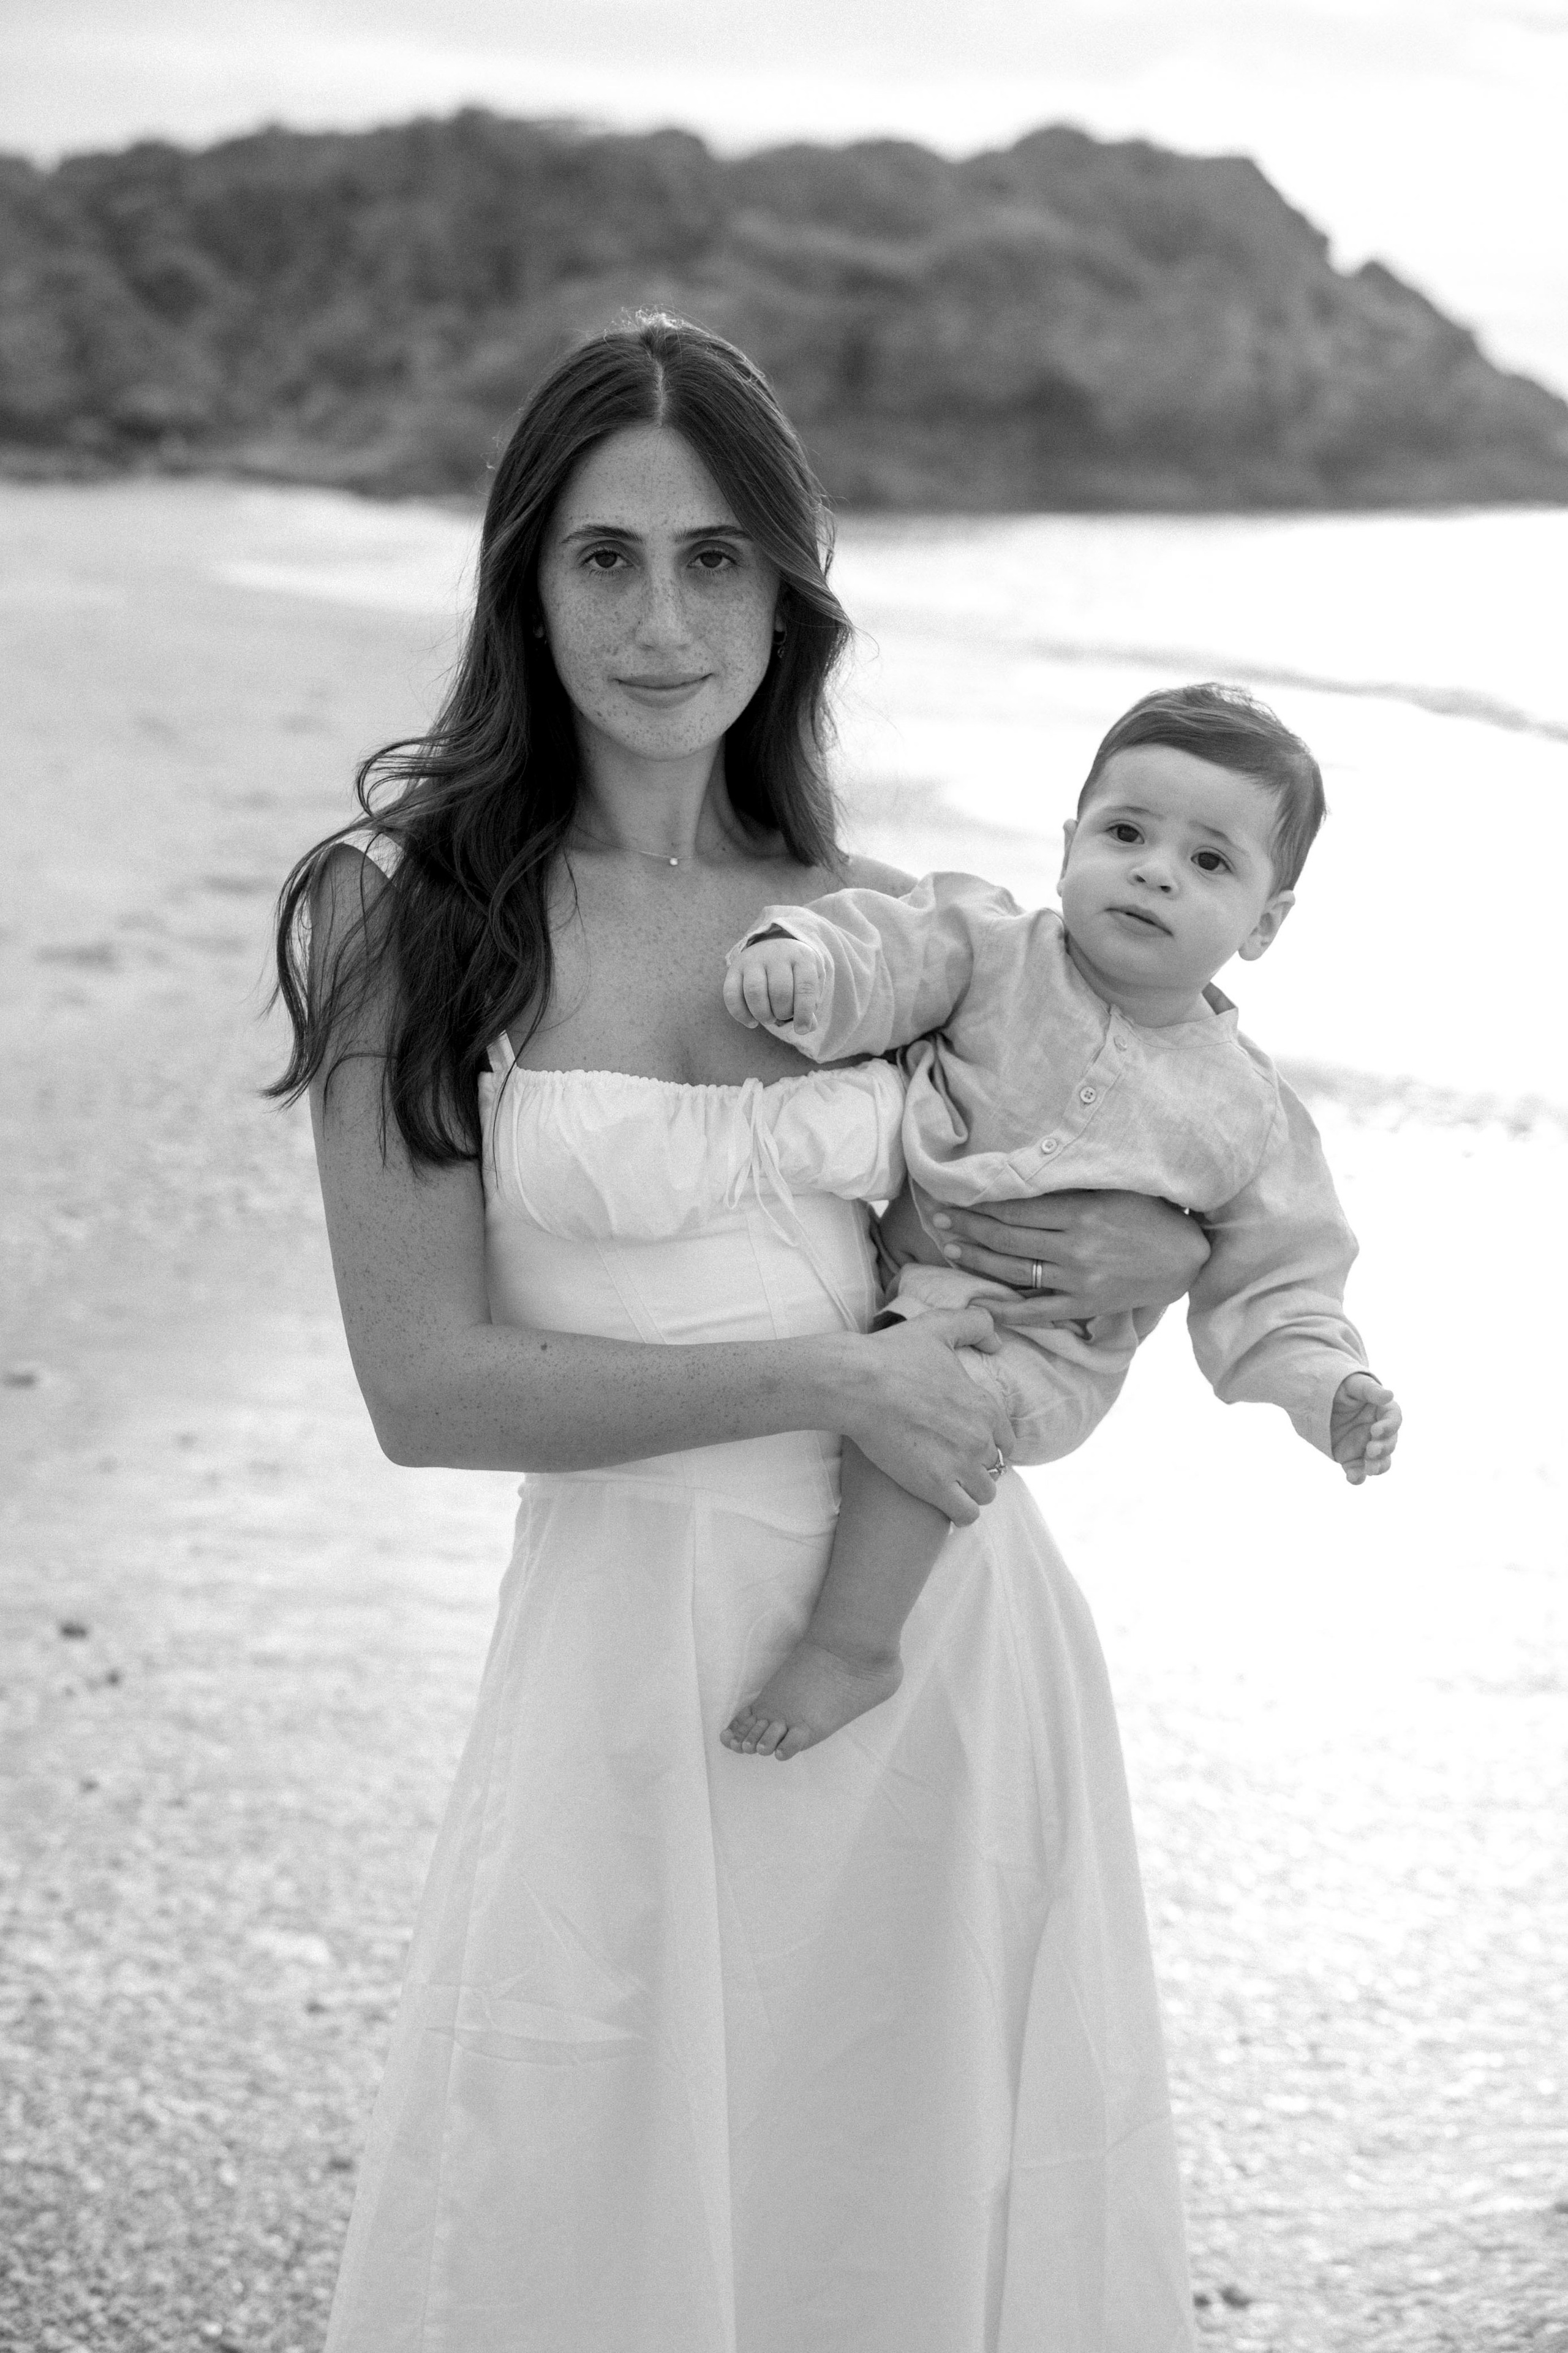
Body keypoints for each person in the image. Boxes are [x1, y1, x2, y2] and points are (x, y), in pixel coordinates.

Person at [273, 310, 1208, 2352]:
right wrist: (825, 1371)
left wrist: (1107, 1291)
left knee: (895, 2222)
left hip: (938, 1651)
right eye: (605, 556)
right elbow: (423, 1391)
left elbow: (985, 1302)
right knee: (573, 2208)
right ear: (526, 578)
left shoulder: (901, 929)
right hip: (631, 1660)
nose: (663, 620)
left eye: (716, 560)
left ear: (791, 595)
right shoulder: (406, 916)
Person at [720, 684, 1401, 1759]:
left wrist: (1333, 1388)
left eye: (1211, 862)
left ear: (1265, 925)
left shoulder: (1248, 1112)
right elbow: (884, 952)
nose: (1157, 868)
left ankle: (854, 1645)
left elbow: (1283, 1279)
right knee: (887, 1370)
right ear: (1068, 842)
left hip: (1044, 1357)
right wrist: (799, 962)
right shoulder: (993, 950)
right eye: (1126, 832)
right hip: (893, 1279)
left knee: (926, 1398)